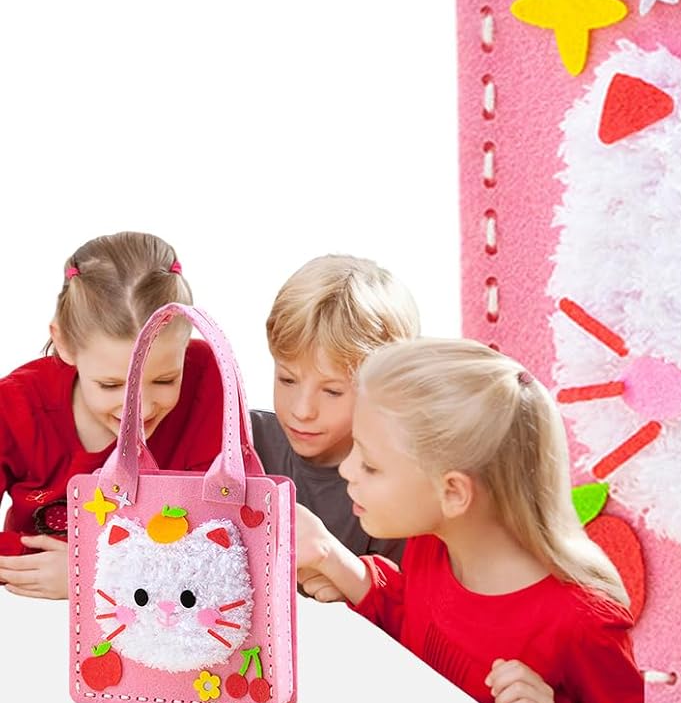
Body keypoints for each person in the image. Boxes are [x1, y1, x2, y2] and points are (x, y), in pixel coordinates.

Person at [297, 338, 644, 703]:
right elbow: (417, 626)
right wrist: (335, 561)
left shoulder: (584, 623)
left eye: (371, 465)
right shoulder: (432, 545)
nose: (346, 470)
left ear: (453, 493)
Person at [0, 231, 223, 596]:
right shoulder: (14, 404)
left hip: (171, 609)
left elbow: (222, 531)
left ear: (186, 346)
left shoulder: (207, 375)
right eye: (110, 385)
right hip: (36, 608)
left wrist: (96, 570)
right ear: (63, 342)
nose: (142, 409)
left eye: (164, 380)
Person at [249, 253, 419, 566]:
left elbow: (398, 594)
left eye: (332, 391)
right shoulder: (244, 441)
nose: (302, 410)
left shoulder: (397, 486)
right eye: (287, 379)